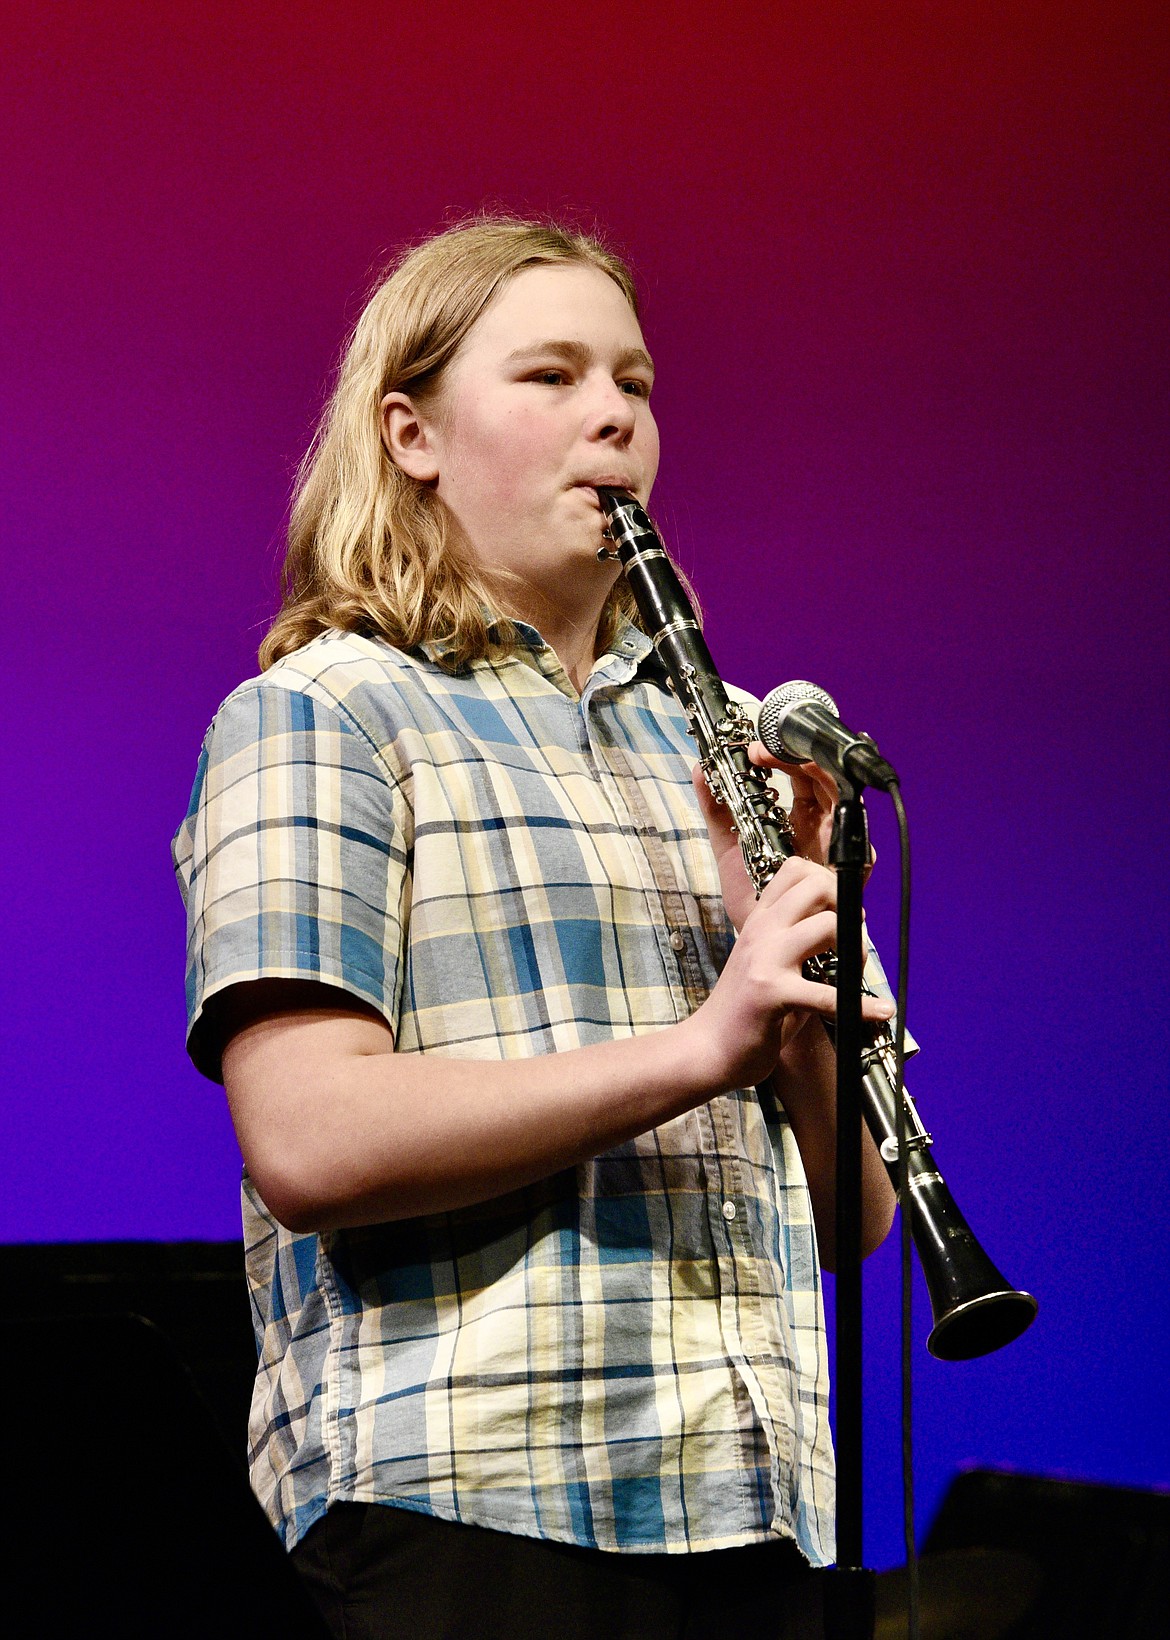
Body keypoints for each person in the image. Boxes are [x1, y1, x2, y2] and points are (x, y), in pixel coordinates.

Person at [173, 217, 897, 1640]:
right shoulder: (328, 711)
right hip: (471, 1511)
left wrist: (793, 964)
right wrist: (702, 1047)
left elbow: (854, 1215)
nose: (614, 415)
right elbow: (314, 1141)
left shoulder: (735, 743)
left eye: (633, 381)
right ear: (412, 434)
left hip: (754, 1512)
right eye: (550, 377)